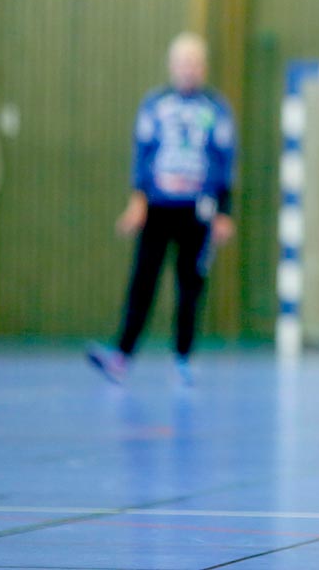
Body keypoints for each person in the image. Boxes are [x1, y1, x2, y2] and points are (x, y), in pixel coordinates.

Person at [86, 32, 236, 387]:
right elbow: (143, 154)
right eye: (182, 62)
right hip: (158, 207)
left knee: (190, 286)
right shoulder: (154, 105)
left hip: (198, 209)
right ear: (172, 66)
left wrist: (224, 212)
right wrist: (137, 200)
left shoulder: (216, 110)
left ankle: (184, 358)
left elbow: (225, 160)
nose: (188, 69)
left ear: (203, 67)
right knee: (143, 282)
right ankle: (121, 356)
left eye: (194, 63)